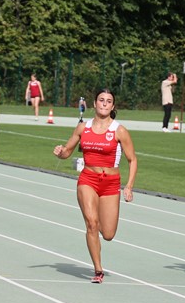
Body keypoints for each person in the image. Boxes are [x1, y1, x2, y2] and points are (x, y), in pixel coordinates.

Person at [53, 89, 137, 284]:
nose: (104, 104)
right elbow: (67, 151)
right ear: (94, 104)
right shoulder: (83, 128)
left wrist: (129, 186)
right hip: (88, 179)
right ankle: (98, 270)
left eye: (108, 101)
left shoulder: (119, 130)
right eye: (101, 100)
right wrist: (60, 152)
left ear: (113, 106)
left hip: (110, 183)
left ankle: (97, 228)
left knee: (108, 234)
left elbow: (132, 160)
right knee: (91, 223)